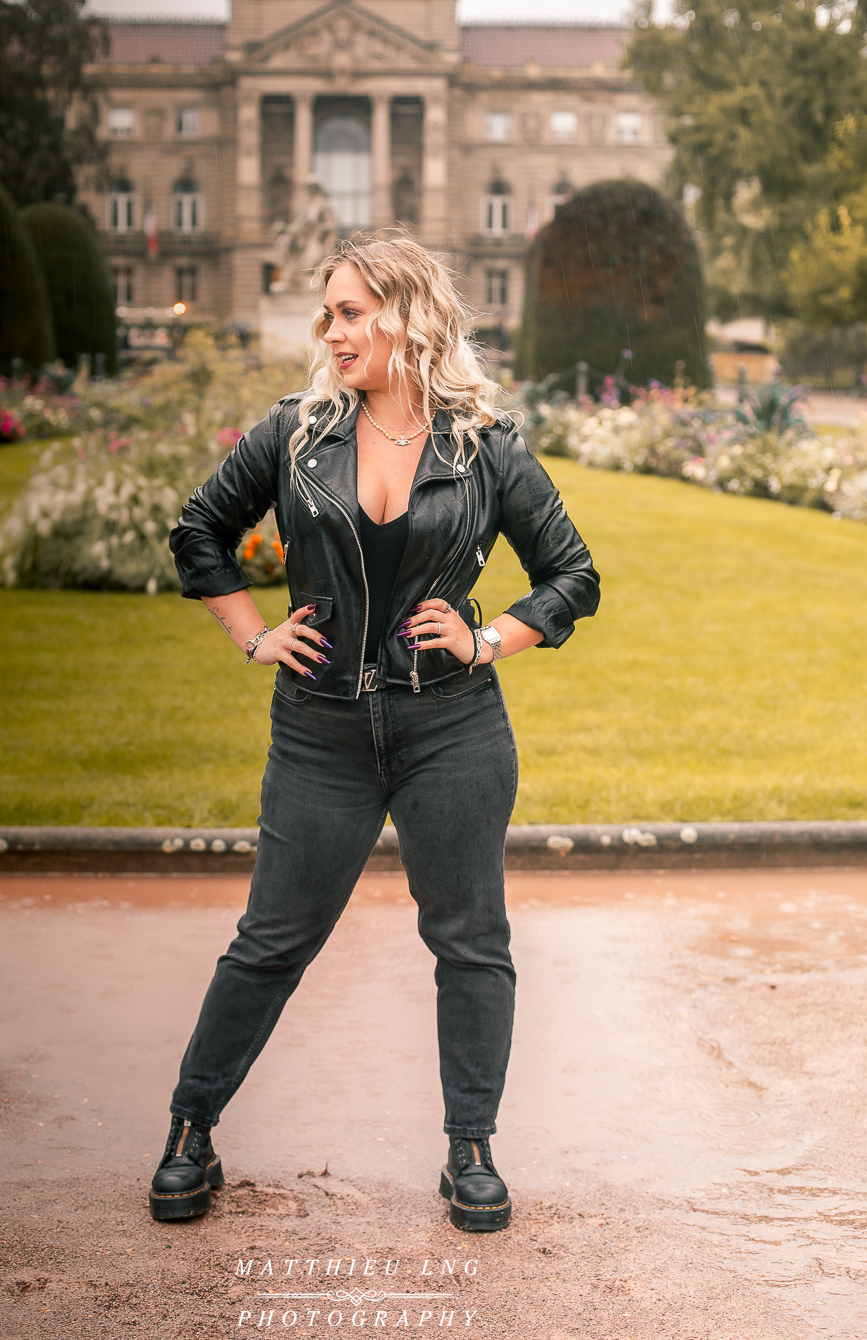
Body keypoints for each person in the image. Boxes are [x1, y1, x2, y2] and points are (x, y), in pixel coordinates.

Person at [151, 234, 600, 1233]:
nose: (333, 331)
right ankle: (189, 1133)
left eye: (352, 311)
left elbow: (572, 574)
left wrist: (486, 638)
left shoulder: (484, 444)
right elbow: (199, 531)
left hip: (453, 730)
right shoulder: (294, 433)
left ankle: (471, 1150)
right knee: (271, 940)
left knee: (470, 941)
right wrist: (254, 635)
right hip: (321, 731)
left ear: (408, 315)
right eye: (330, 314)